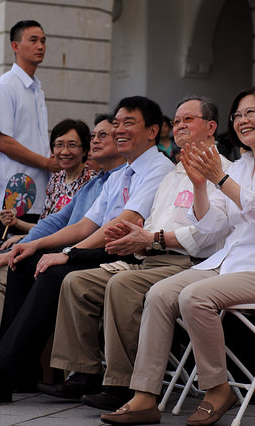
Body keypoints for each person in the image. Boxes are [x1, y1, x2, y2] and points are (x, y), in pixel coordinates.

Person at [100, 87, 255, 425]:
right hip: (229, 265)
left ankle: (217, 388)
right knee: (159, 293)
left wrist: (219, 178)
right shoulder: (242, 165)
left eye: (250, 113)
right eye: (238, 115)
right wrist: (202, 186)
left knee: (193, 297)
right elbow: (214, 224)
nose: (242, 121)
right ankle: (144, 396)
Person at [0, 96, 174, 405]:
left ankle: (0, 374)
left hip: (128, 251)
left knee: (53, 272)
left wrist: (69, 254)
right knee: (23, 262)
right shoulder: (120, 174)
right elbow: (83, 225)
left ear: (152, 131)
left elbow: (123, 223)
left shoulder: (158, 168)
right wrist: (33, 245)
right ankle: (21, 371)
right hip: (99, 248)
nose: (118, 130)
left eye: (128, 123)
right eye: (115, 124)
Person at [38, 96, 231, 410]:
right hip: (151, 257)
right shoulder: (173, 175)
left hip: (191, 264)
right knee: (76, 283)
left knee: (122, 286)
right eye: (178, 121)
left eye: (189, 120)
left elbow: (208, 238)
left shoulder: (224, 172)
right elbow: (150, 223)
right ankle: (83, 373)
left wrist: (149, 239)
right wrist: (133, 237)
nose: (180, 126)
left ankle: (121, 384)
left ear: (211, 127)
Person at [0, 115, 126, 379]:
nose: (66, 151)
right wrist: (24, 244)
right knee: (0, 266)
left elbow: (87, 229)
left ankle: (9, 364)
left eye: (75, 144)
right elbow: (56, 221)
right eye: (59, 144)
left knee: (24, 267)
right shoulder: (83, 182)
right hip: (67, 249)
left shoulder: (105, 178)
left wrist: (59, 252)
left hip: (95, 254)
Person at [0, 20, 60, 239]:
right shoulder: (5, 86)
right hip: (15, 198)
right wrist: (46, 163)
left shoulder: (37, 89)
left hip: (40, 194)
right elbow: (2, 142)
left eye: (43, 41)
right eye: (33, 40)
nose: (40, 46)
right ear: (15, 46)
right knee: (8, 265)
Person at [0, 119, 95, 236]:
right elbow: (44, 226)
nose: (64, 151)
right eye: (59, 145)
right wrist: (16, 222)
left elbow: (79, 230)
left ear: (84, 150)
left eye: (72, 145)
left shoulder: (92, 182)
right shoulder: (56, 180)